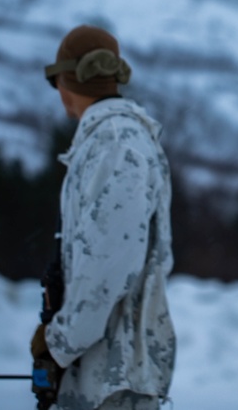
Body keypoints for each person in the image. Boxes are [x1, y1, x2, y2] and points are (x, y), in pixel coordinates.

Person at [30, 25, 176, 410]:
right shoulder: (109, 140)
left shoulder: (116, 143)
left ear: (67, 79)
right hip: (103, 378)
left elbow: (108, 267)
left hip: (113, 382)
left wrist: (57, 341)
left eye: (54, 80)